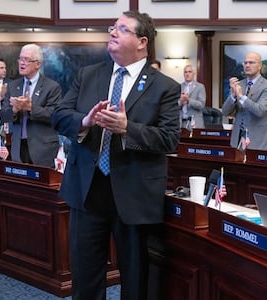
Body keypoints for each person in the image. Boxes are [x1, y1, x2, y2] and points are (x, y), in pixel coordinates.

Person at [52, 10, 180, 300]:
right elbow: (59, 115)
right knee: (85, 279)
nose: (112, 32)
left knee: (135, 282)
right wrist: (85, 122)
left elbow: (170, 139)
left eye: (122, 29)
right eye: (112, 27)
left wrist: (127, 128)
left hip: (134, 196)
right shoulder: (88, 74)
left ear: (142, 41)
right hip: (87, 191)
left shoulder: (165, 87)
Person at [0, 44, 62, 167]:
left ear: (37, 64)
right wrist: (14, 109)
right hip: (18, 146)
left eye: (26, 60)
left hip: (43, 149)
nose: (21, 63)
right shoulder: (13, 86)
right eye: (20, 59)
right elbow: (2, 116)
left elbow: (55, 115)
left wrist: (30, 108)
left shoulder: (52, 87)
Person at [222, 51, 267, 151]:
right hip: (237, 140)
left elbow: (260, 111)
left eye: (251, 62)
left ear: (260, 66)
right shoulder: (238, 84)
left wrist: (241, 97)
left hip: (259, 141)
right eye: (245, 63)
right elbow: (225, 112)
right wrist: (233, 96)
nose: (247, 65)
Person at [179, 64, 206, 129]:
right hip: (181, 122)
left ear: (194, 74)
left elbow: (201, 105)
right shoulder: (179, 87)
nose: (187, 74)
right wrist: (180, 101)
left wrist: (189, 100)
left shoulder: (200, 87)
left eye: (189, 72)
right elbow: (174, 105)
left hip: (194, 123)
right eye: (185, 72)